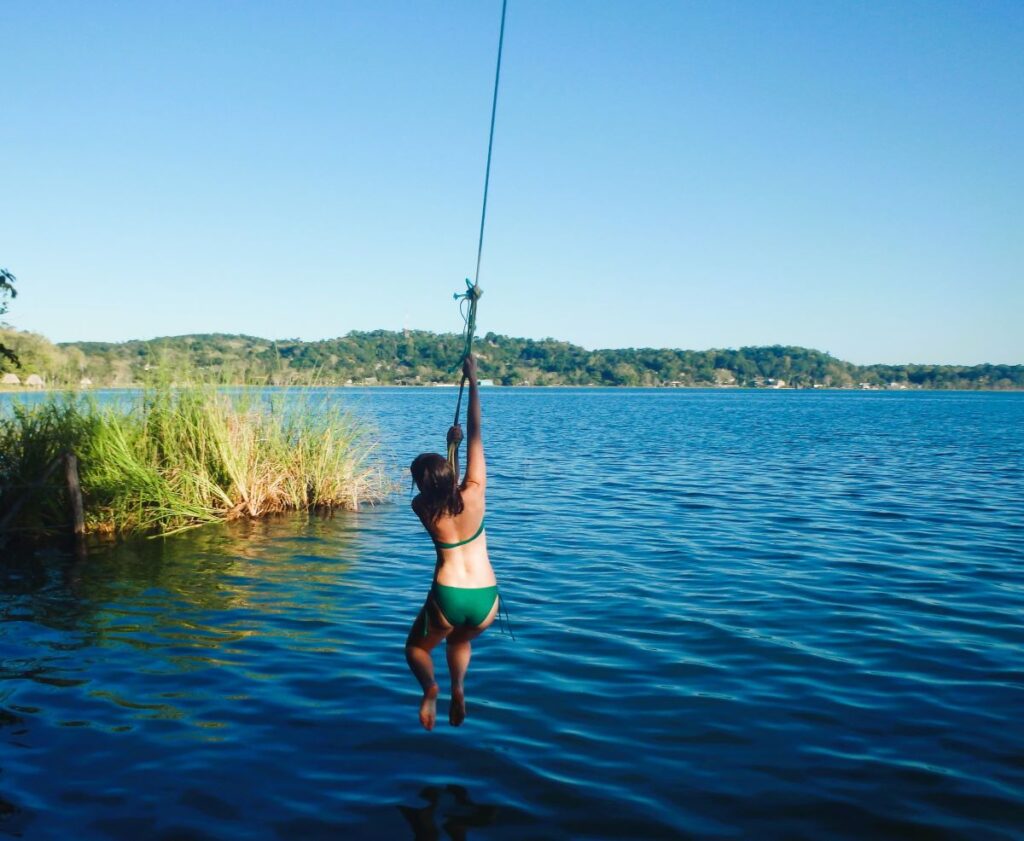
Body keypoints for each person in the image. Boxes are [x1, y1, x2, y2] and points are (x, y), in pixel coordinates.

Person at [406, 354, 499, 730]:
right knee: (460, 641)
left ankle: (431, 688)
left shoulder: (422, 507)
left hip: (448, 594)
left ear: (420, 485)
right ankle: (460, 687)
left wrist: (449, 450)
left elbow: (442, 494)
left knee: (417, 649)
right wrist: (473, 381)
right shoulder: (475, 494)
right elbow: (477, 432)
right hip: (485, 598)